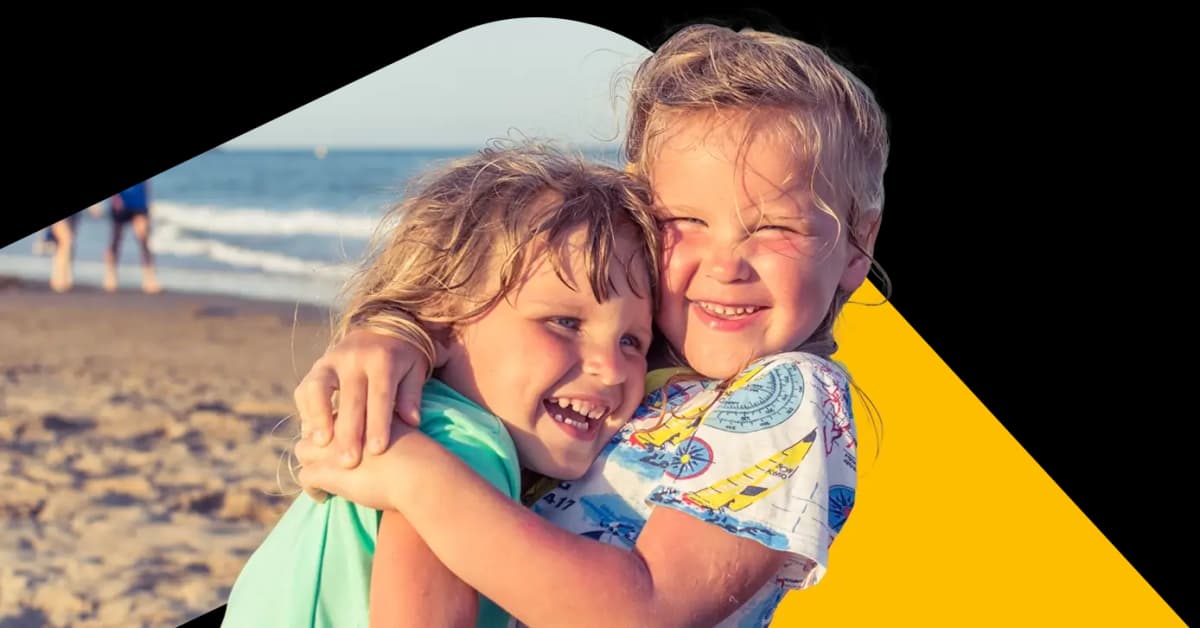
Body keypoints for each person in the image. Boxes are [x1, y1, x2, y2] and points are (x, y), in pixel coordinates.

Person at [292, 23, 888, 627]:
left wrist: (413, 476)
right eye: (684, 220)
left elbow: (644, 613)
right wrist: (405, 337)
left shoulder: (791, 394)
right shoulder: (640, 363)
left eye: (774, 229)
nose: (725, 266)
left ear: (857, 247)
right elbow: (508, 322)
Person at [221, 140, 661, 628]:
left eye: (632, 341)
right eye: (564, 322)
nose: (612, 368)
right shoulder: (458, 445)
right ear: (445, 324)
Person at [105, 180, 161, 294]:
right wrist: (115, 199)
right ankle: (110, 275)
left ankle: (149, 278)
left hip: (139, 203)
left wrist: (147, 203)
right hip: (120, 203)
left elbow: (147, 184)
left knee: (144, 240)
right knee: (116, 240)